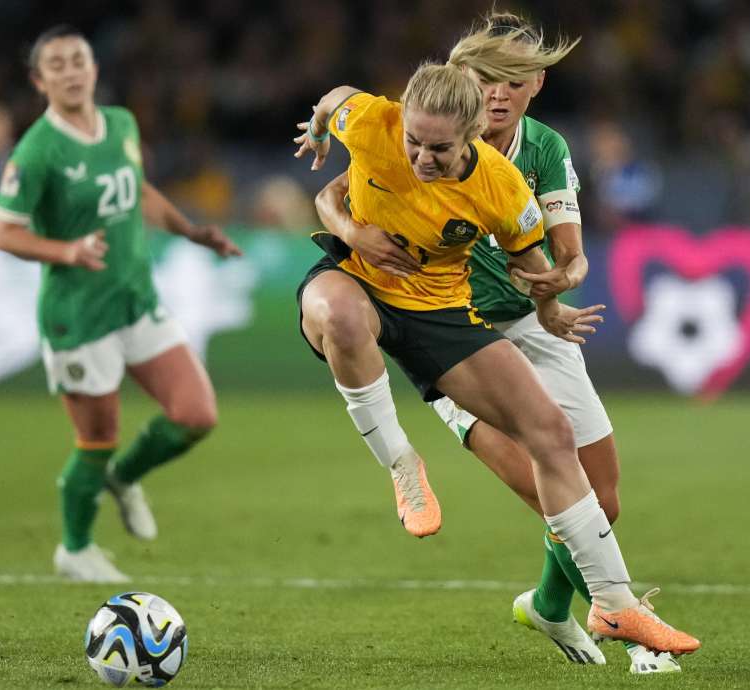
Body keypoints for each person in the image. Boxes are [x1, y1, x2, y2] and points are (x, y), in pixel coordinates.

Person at [292, 61, 700, 655]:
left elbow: (530, 264)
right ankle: (402, 465)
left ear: (472, 134)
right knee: (340, 315)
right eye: (413, 141)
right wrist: (323, 138)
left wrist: (553, 304)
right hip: (357, 280)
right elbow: (333, 97)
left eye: (439, 148)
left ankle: (614, 606)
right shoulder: (374, 122)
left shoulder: (502, 188)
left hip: (440, 312)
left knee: (552, 433)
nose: (422, 158)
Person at [0, 25, 240, 583]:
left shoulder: (122, 124)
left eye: (78, 59)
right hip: (78, 316)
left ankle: (125, 479)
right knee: (96, 439)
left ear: (94, 68)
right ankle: (74, 549)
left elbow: (138, 189)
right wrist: (67, 249)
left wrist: (190, 231)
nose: (71, 71)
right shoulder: (37, 151)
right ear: (39, 81)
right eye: (56, 64)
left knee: (197, 415)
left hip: (135, 298)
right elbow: (4, 232)